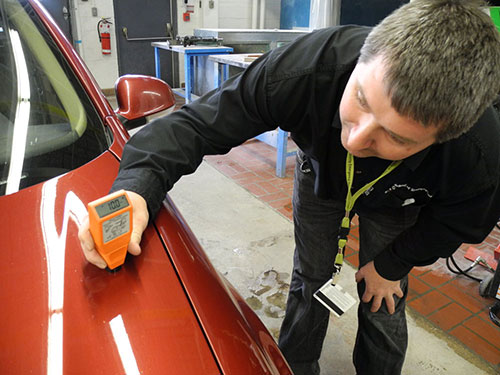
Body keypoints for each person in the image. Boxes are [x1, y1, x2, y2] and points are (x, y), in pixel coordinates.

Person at [79, 0, 500, 374]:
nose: (354, 140)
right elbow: (195, 125)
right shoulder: (306, 68)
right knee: (310, 279)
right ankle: (295, 365)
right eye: (360, 100)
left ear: (446, 136)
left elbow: (462, 222)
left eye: (398, 138)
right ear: (362, 61)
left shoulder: (479, 152)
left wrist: (394, 265)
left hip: (400, 201)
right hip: (320, 176)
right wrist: (138, 187)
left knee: (384, 296)